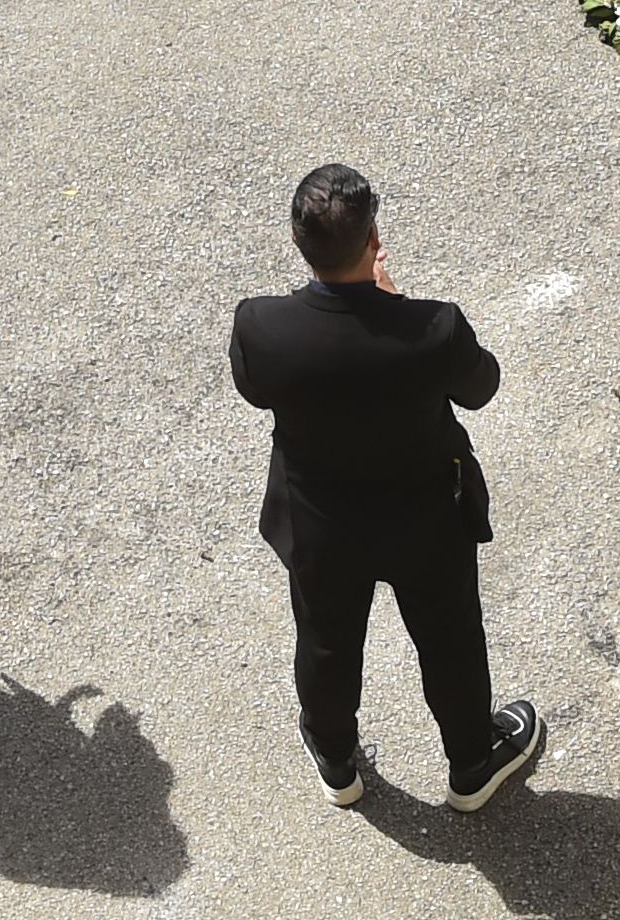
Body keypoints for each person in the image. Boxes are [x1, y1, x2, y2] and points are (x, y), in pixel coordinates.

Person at [228, 161, 544, 815]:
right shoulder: (433, 328)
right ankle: (471, 766)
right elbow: (481, 387)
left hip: (321, 526)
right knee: (451, 639)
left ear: (300, 245)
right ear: (375, 242)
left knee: (325, 640)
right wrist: (394, 305)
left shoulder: (261, 327)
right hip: (426, 523)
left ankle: (336, 761)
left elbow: (254, 389)